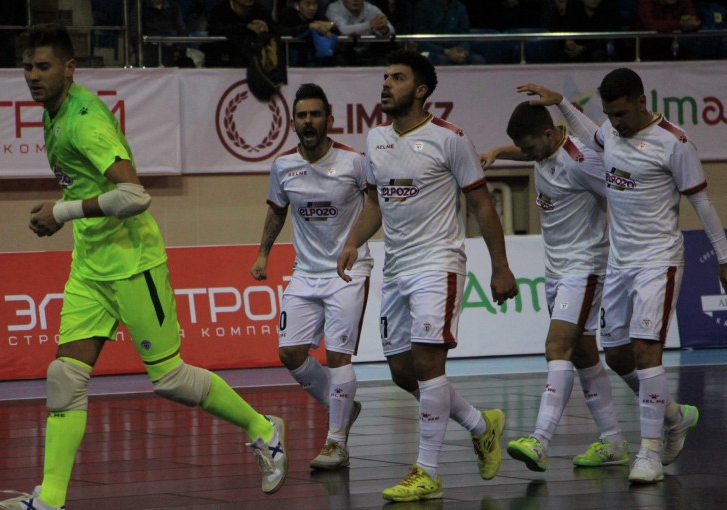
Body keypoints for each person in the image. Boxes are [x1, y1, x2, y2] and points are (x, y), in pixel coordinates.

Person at [0, 23, 288, 510]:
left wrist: (61, 213)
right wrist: (70, 213)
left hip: (134, 265)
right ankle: (50, 500)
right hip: (90, 266)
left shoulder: (85, 120)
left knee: (168, 379)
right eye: (27, 67)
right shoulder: (53, 111)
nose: (33, 76)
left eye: (43, 67)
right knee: (65, 376)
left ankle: (262, 428)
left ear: (69, 69)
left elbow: (135, 195)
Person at [517, 69, 727, 483]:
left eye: (622, 114)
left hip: (658, 261)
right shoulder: (610, 134)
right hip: (618, 263)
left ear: (641, 100)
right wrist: (560, 102)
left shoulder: (674, 143)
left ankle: (648, 453)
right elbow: (591, 130)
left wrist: (723, 255)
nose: (616, 123)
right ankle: (673, 417)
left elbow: (701, 202)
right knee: (616, 354)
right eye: (610, 115)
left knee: (648, 351)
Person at [337, 49, 518, 501]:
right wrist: (354, 240)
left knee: (428, 364)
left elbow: (480, 205)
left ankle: (428, 472)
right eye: (384, 76)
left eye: (396, 77)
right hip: (395, 268)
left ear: (420, 91)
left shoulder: (450, 139)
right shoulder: (375, 137)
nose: (386, 84)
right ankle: (481, 424)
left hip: (438, 264)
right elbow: (376, 202)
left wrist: (501, 265)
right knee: (402, 371)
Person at [479, 102, 632, 472]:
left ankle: (540, 439)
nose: (527, 155)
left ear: (550, 135)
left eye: (529, 148)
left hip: (585, 267)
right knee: (583, 355)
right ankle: (618, 438)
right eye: (523, 149)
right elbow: (527, 149)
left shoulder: (582, 163)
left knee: (556, 347)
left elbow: (625, 197)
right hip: (555, 270)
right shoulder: (543, 149)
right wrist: (500, 152)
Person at [250, 83, 369, 470]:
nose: (309, 121)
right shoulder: (284, 165)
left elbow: (379, 205)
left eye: (316, 114)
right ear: (293, 123)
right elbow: (277, 210)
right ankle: (343, 409)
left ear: (329, 119)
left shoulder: (354, 161)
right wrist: (263, 253)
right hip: (305, 272)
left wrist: (355, 242)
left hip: (347, 272)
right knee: (290, 353)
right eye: (302, 116)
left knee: (338, 356)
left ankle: (336, 441)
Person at [413, 0, 486, 65]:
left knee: (478, 60)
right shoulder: (423, 6)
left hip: (456, 49)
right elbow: (421, 40)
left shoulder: (460, 7)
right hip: (433, 50)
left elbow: (465, 35)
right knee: (441, 60)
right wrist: (445, 51)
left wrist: (462, 49)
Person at [326, 0, 395, 65]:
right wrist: (369, 25)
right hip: (341, 54)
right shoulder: (334, 8)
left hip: (368, 54)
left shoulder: (371, 9)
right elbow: (343, 30)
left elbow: (391, 30)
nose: (355, 0)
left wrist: (384, 30)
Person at [279, 0, 338, 66]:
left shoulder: (317, 15)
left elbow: (334, 28)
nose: (312, 8)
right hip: (293, 63)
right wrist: (309, 26)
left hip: (315, 63)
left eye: (315, 4)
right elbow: (283, 31)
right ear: (297, 6)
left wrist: (331, 25)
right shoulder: (288, 14)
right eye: (307, 3)